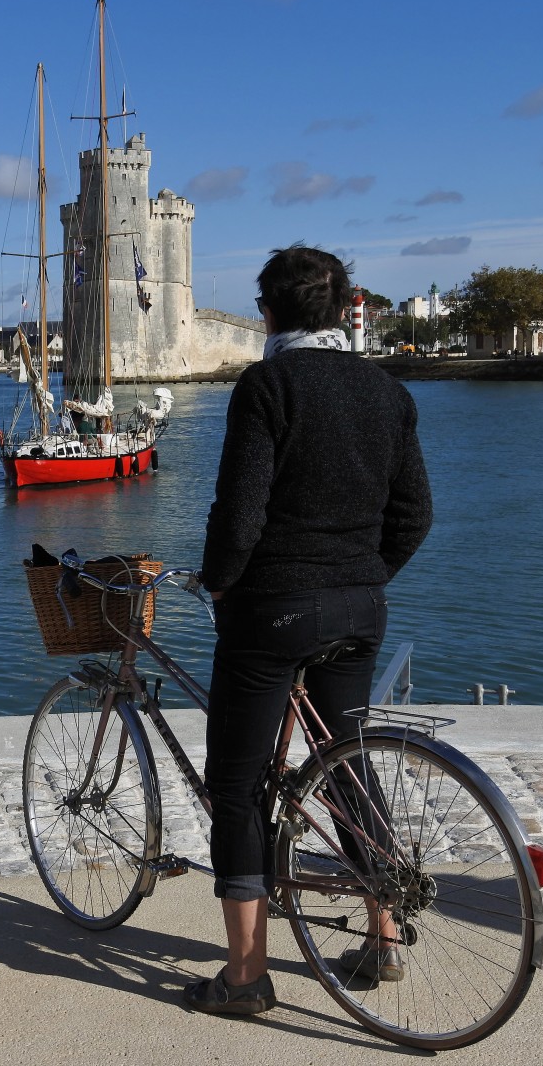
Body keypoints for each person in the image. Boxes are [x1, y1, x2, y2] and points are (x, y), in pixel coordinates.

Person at [188, 244, 432, 1016]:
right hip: (362, 607)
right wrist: (362, 576)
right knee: (345, 765)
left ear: (267, 314)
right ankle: (383, 935)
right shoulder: (388, 391)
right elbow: (414, 515)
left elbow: (240, 515)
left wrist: (219, 583)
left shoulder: (267, 385)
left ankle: (246, 976)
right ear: (344, 308)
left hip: (273, 610)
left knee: (236, 785)